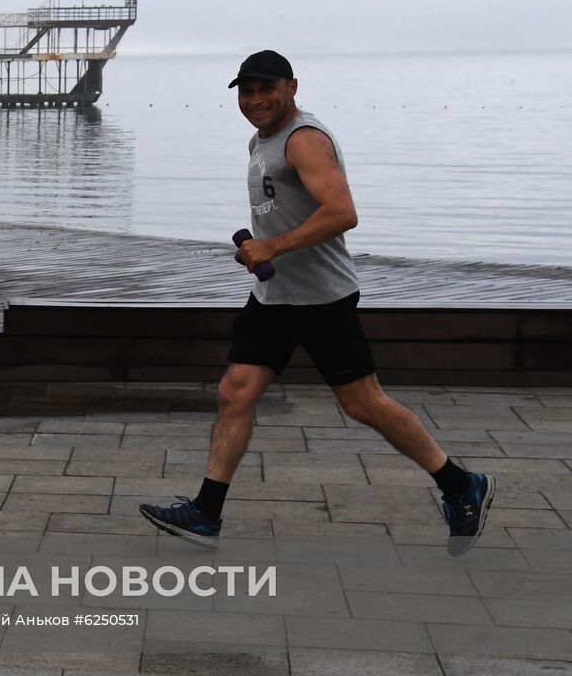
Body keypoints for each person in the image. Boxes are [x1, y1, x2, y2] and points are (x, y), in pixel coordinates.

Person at [139, 50, 495, 557]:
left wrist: (272, 247)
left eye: (267, 88)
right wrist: (258, 250)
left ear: (292, 87)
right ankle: (206, 512)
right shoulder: (261, 140)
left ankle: (461, 485)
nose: (256, 99)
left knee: (362, 403)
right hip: (273, 294)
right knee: (234, 391)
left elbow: (343, 213)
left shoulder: (305, 140)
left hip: (321, 298)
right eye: (246, 90)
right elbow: (280, 216)